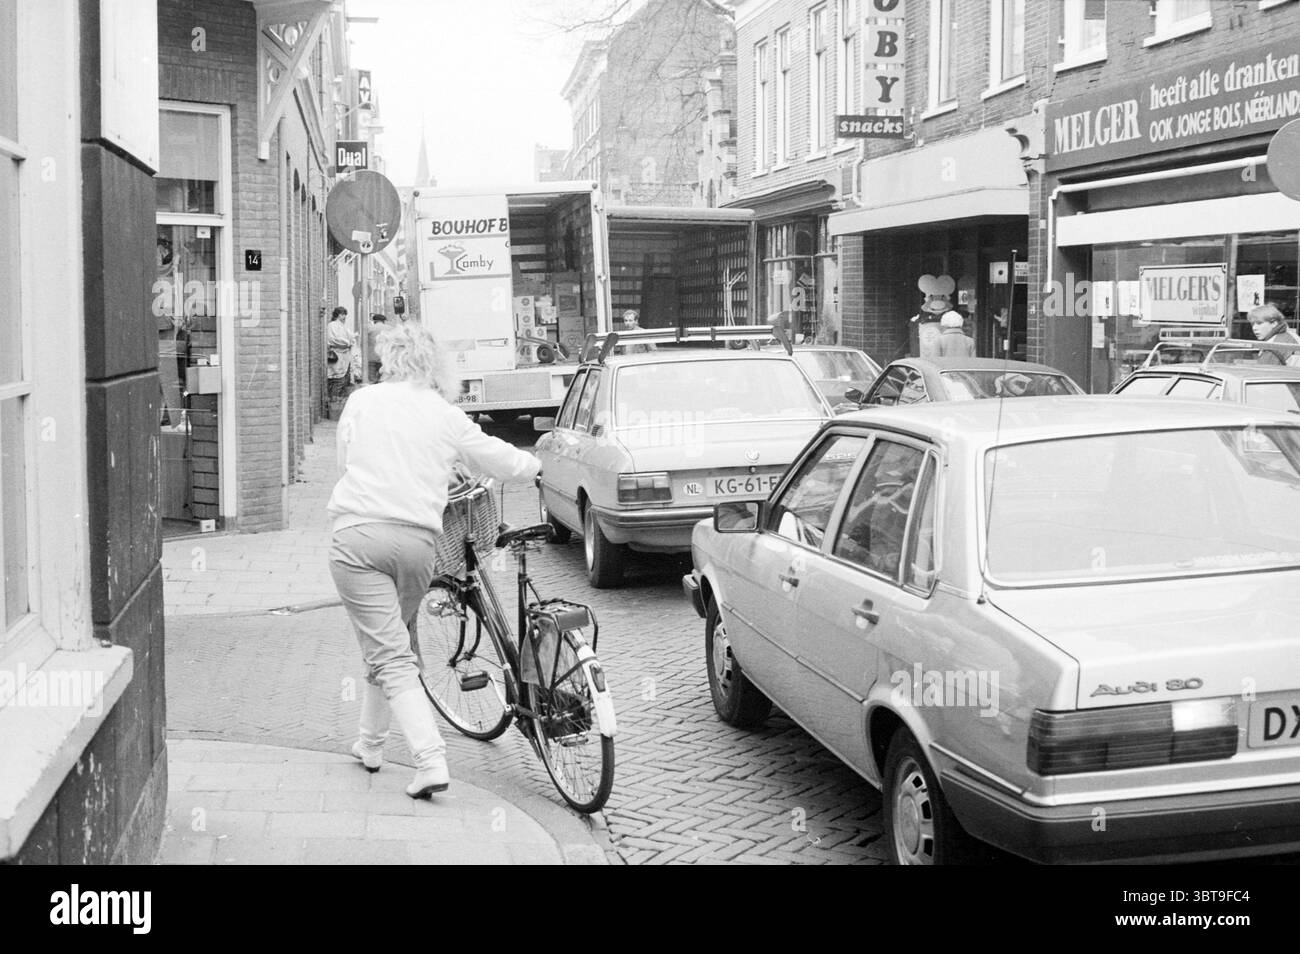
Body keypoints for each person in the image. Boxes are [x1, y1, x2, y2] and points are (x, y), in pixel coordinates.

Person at [327, 323, 540, 798]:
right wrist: (537, 465)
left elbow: (346, 463)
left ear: (390, 361)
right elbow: (502, 460)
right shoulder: (443, 413)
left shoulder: (362, 401)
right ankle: (370, 744)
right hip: (418, 545)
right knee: (392, 645)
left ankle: (430, 760)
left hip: (358, 539)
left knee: (390, 653)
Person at [327, 306, 356, 405]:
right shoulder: (332, 325)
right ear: (337, 315)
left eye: (344, 315)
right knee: (337, 378)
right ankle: (334, 401)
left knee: (342, 378)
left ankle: (337, 400)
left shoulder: (343, 326)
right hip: (337, 354)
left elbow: (351, 337)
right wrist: (347, 342)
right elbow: (334, 339)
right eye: (342, 314)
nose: (344, 317)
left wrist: (350, 340)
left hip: (344, 355)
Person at [366, 313, 388, 383]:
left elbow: (363, 343)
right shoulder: (389, 328)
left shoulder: (369, 328)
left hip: (371, 358)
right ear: (384, 321)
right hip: (384, 358)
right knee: (384, 380)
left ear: (374, 321)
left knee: (372, 381)